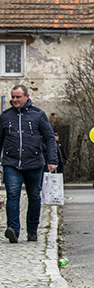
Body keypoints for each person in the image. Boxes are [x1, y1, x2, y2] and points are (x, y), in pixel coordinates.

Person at [0, 85, 57, 243]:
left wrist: (52, 160)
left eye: (18, 97)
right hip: (11, 163)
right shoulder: (5, 116)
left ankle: (32, 229)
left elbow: (50, 138)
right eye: (13, 97)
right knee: (12, 194)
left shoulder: (38, 115)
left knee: (34, 196)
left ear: (27, 96)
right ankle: (13, 229)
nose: (15, 100)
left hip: (34, 163)